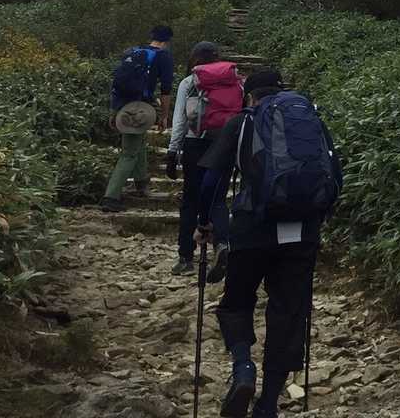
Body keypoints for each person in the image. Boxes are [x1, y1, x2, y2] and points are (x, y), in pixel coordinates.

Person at [196, 69, 343, 418]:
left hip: (252, 228)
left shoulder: (242, 122)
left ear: (249, 96)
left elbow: (211, 182)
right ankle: (269, 403)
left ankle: (244, 369)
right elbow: (335, 173)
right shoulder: (310, 121)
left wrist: (204, 222)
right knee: (289, 312)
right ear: (280, 90)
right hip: (302, 231)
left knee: (236, 303)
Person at [166, 41, 242, 277]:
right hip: (223, 144)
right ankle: (222, 244)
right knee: (217, 199)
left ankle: (185, 258)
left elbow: (179, 120)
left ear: (194, 57)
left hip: (194, 144)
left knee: (190, 200)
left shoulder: (189, 82)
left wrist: (172, 151)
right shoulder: (235, 82)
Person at [101, 24, 175, 212]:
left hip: (123, 107)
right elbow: (166, 90)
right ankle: (110, 197)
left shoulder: (133, 52)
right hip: (139, 110)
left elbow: (116, 85)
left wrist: (114, 111)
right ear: (167, 41)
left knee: (138, 143)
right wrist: (164, 116)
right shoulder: (163, 56)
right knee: (129, 153)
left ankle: (141, 183)